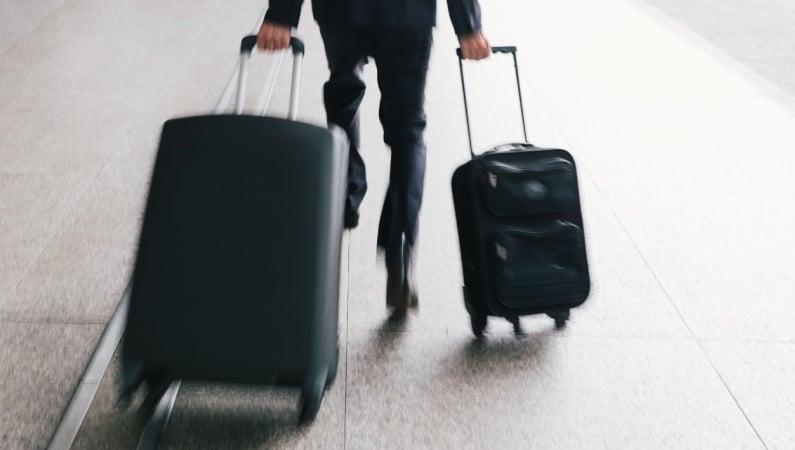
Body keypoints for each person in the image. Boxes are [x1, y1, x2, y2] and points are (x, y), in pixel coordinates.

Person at [258, 0, 490, 316]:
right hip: (408, 15)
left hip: (342, 13)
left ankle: (347, 195)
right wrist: (468, 25)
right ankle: (401, 248)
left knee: (344, 95)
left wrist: (282, 15)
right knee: (408, 128)